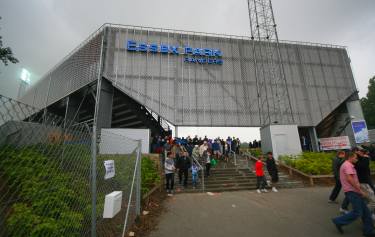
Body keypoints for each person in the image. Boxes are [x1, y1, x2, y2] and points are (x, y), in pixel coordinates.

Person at [332, 152, 375, 237]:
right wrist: (360, 190)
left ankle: (368, 231)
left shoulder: (347, 165)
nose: (357, 159)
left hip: (353, 192)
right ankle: (338, 221)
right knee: (357, 212)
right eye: (355, 158)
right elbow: (350, 179)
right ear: (350, 157)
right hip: (352, 192)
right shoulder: (347, 165)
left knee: (365, 212)